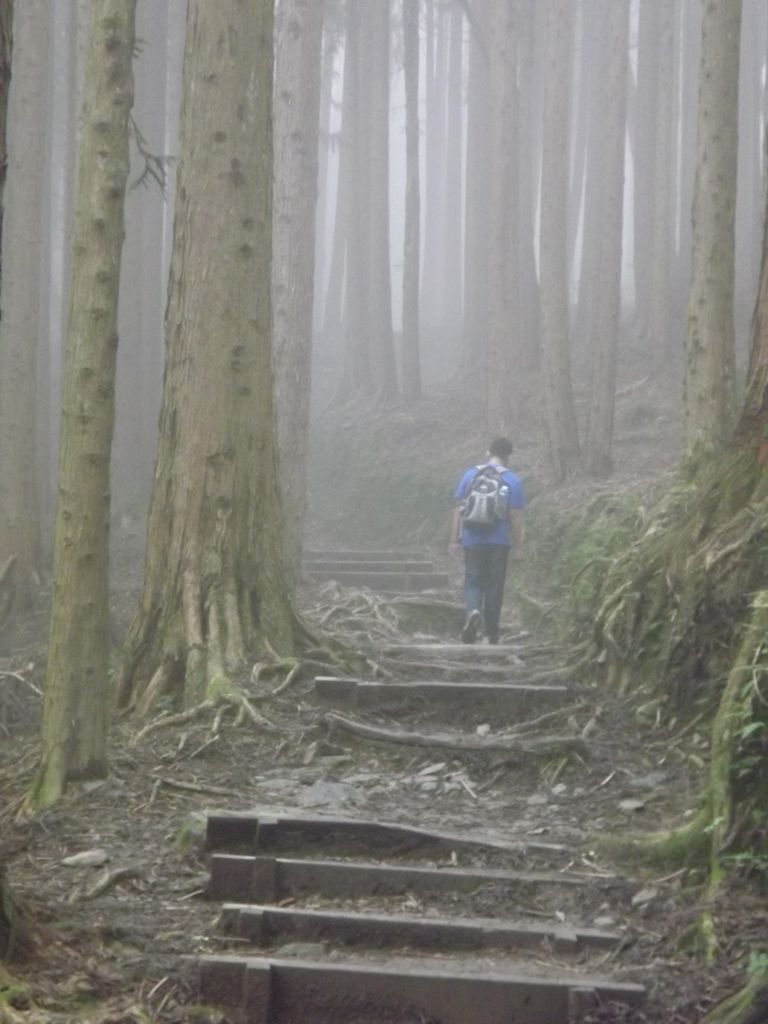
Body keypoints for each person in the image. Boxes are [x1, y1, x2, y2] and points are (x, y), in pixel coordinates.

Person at [449, 436, 525, 644]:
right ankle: (491, 633)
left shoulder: (471, 474)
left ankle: (472, 613)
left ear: (488, 452)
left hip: (472, 539)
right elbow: (515, 516)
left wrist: (454, 540)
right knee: (494, 585)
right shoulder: (513, 480)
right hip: (499, 542)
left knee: (473, 580)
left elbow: (458, 509)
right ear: (508, 457)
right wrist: (518, 547)